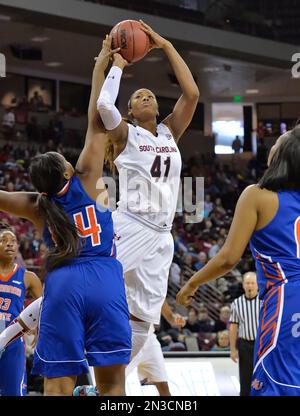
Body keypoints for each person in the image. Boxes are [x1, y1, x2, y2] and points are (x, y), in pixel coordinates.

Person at [0, 36, 132, 396]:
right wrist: (100, 66)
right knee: (112, 386)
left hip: (64, 285)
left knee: (58, 384)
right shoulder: (88, 176)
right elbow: (96, 118)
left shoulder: (35, 204)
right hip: (105, 278)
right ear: (67, 173)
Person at [97, 19, 199, 373]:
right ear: (131, 111)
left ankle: (110, 378)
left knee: (144, 319)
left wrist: (165, 45)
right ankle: (20, 331)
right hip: (131, 223)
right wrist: (119, 66)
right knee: (87, 283)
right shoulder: (125, 135)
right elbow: (104, 107)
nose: (146, 95)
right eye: (137, 96)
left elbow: (192, 94)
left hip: (161, 235)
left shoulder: (170, 132)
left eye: (150, 94)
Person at [177, 123, 300, 395]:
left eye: (276, 144)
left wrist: (192, 284)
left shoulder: (257, 195)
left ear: (283, 156)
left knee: (277, 388)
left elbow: (228, 258)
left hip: (287, 301)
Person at [0, 222, 42, 396]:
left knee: (13, 392)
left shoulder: (29, 277)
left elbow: (44, 309)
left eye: (13, 240)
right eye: (3, 240)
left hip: (13, 343)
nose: (9, 244)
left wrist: (40, 334)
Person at [229, 271, 260, 396]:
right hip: (245, 345)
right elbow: (233, 327)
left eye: (253, 283)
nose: (250, 286)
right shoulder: (236, 303)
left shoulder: (264, 301)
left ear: (257, 285)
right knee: (245, 377)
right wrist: (232, 349)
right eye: (247, 283)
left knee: (262, 376)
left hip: (261, 345)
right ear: (243, 285)